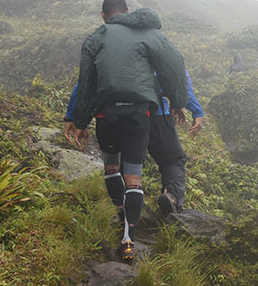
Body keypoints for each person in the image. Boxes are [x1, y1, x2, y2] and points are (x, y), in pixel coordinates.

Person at [72, 0, 188, 261]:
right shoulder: (148, 32)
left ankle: (122, 214)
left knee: (113, 169)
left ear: (104, 15)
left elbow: (86, 81)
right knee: (134, 178)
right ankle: (128, 240)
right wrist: (178, 101)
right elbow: (174, 61)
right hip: (139, 113)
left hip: (106, 113)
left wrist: (80, 121)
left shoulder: (96, 36)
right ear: (127, 11)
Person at [64, 68, 204, 216]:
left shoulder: (108, 49)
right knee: (171, 160)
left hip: (118, 114)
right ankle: (171, 196)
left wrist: (72, 116)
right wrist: (193, 109)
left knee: (128, 163)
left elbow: (85, 82)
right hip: (157, 112)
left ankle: (130, 210)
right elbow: (179, 79)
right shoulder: (158, 47)